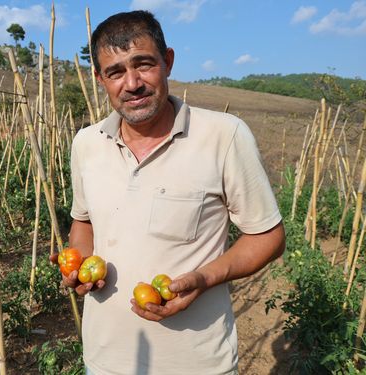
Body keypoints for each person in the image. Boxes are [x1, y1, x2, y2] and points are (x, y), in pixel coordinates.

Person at [54, 10, 286, 374]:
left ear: (168, 62)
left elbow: (269, 236)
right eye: (115, 72)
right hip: (104, 359)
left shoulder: (223, 136)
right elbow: (83, 222)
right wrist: (78, 265)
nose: (131, 83)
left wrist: (206, 278)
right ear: (100, 79)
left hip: (196, 362)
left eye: (143, 64)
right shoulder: (86, 143)